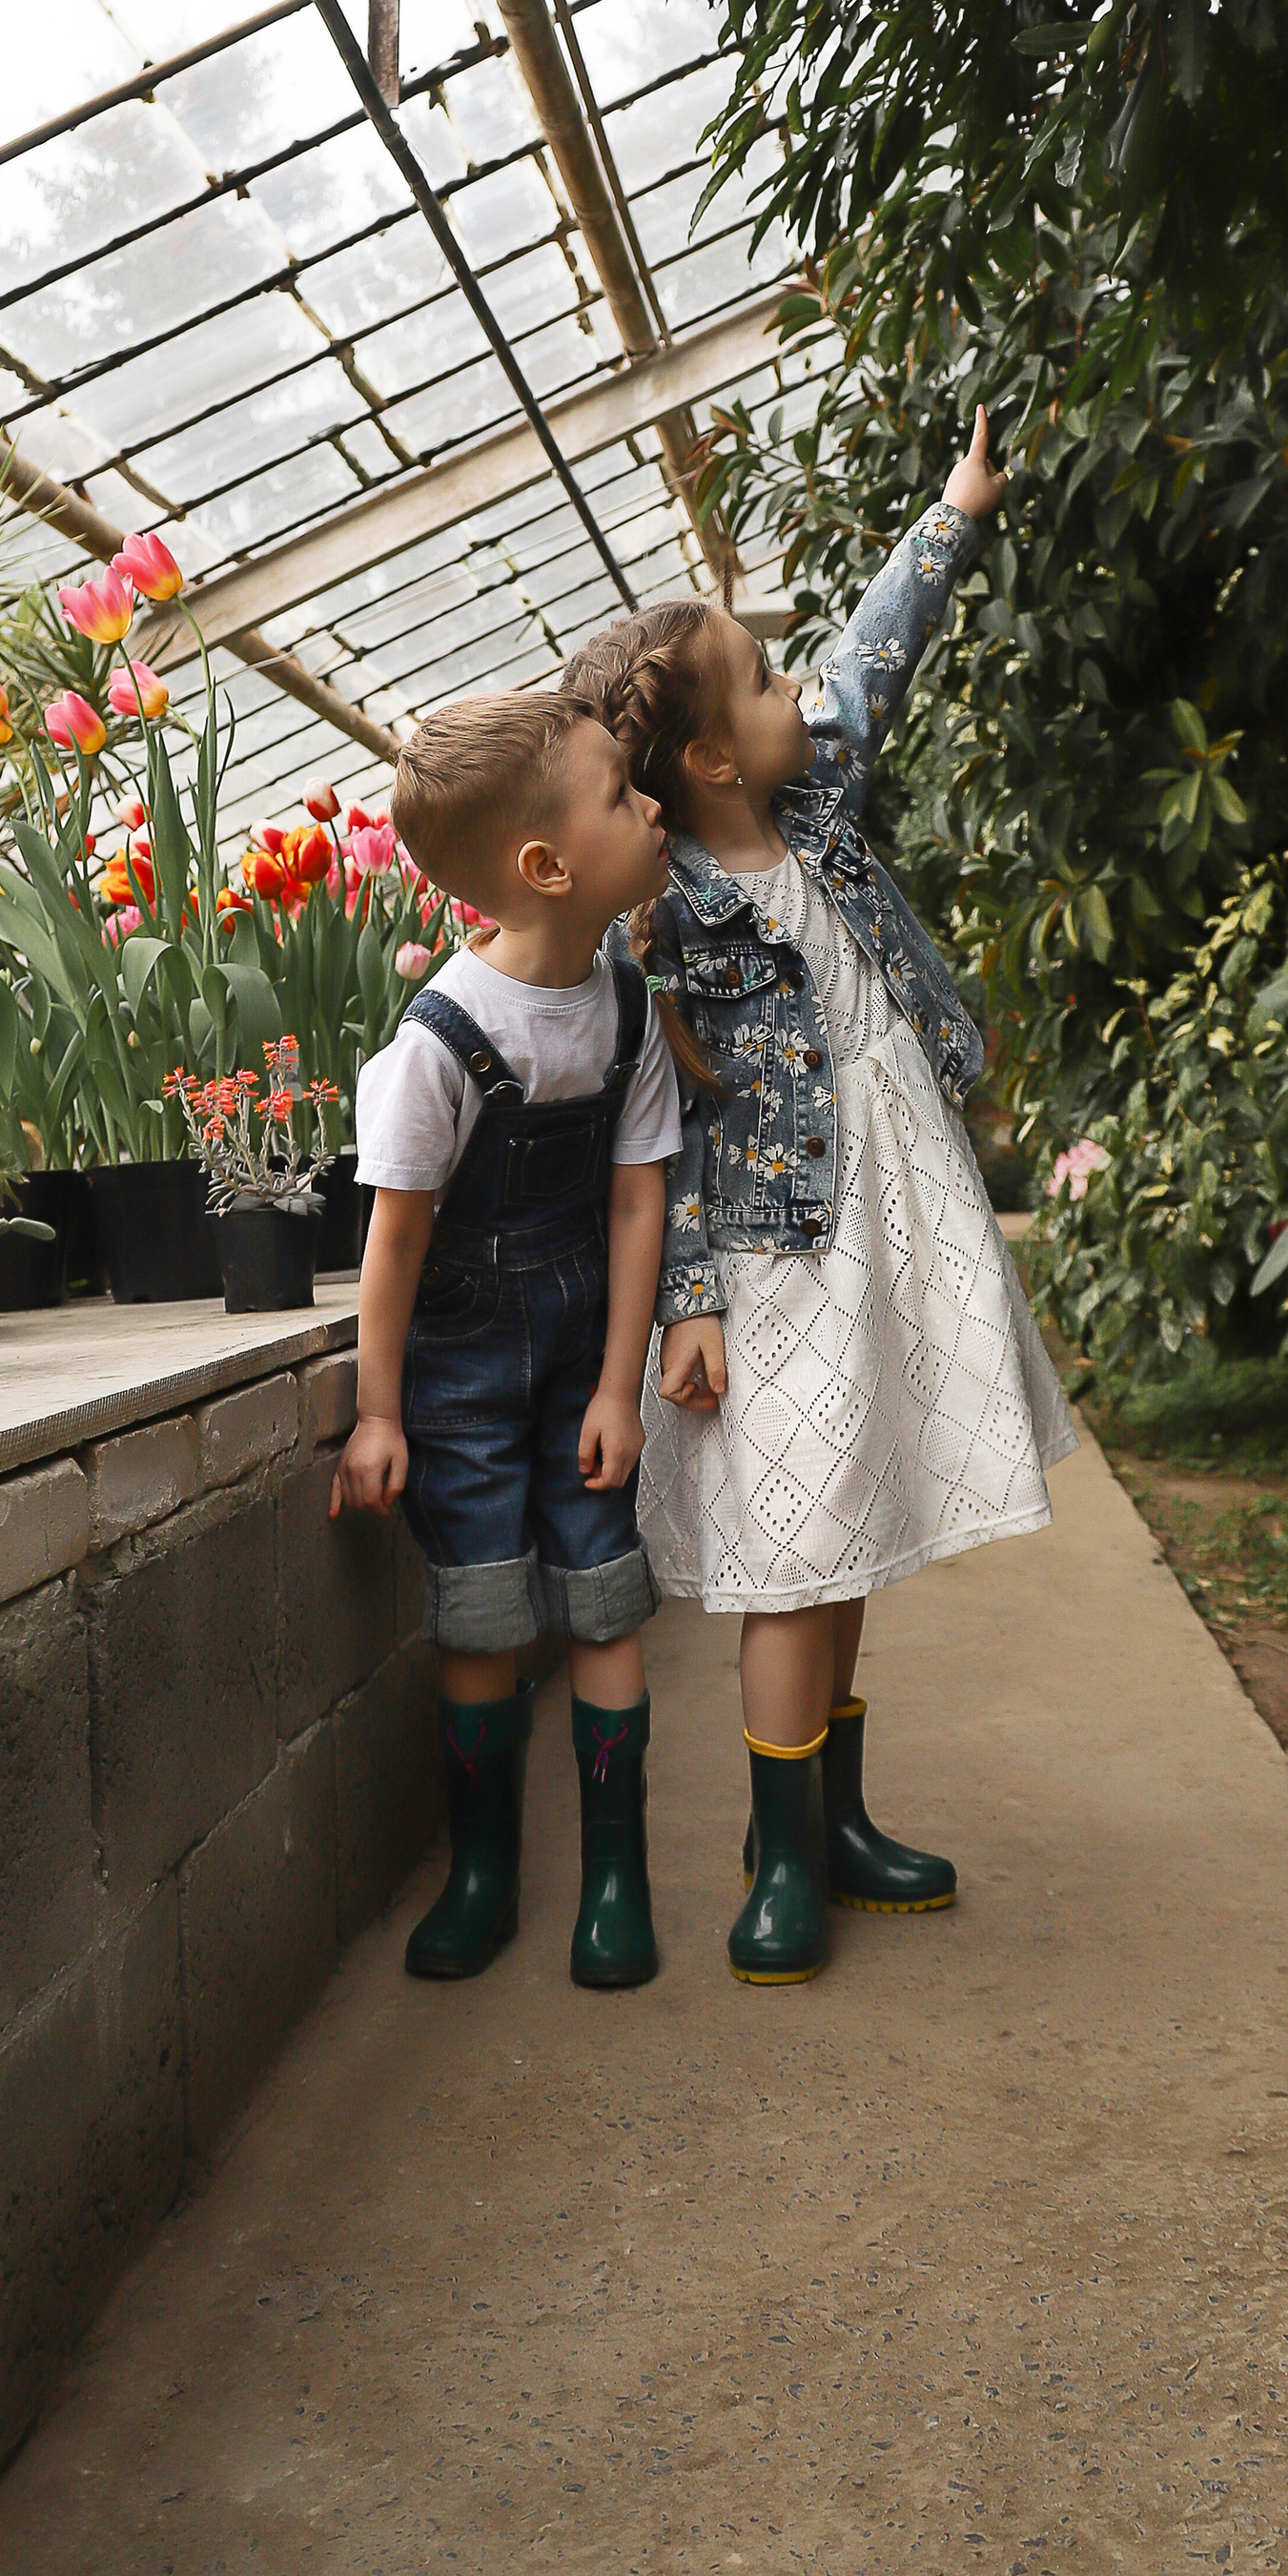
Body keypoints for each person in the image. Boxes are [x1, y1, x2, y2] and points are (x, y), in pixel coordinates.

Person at [559, 407, 1075, 1987]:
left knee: (848, 1528)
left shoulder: (816, 805)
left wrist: (956, 509)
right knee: (794, 1546)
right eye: (767, 684)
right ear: (711, 756)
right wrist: (692, 1301)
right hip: (778, 1255)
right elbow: (668, 1126)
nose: (803, 693)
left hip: (890, 1203)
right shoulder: (675, 917)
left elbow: (875, 656)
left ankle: (835, 1824)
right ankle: (778, 1863)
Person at [332, 694, 681, 1990]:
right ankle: (481, 1875)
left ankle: (614, 1882)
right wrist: (380, 1413)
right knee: (481, 1614)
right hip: (463, 1375)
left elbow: (638, 1197)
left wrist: (618, 1388)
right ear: (547, 867)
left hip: (581, 1350)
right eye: (619, 796)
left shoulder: (623, 1006)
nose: (652, 806)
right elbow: (398, 1244)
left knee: (603, 1593)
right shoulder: (439, 1043)